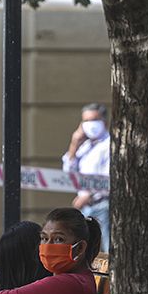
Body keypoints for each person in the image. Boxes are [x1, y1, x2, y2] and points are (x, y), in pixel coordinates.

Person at [62, 103, 111, 252]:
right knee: (85, 251)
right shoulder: (85, 146)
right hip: (85, 207)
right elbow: (68, 173)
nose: (90, 124)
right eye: (86, 121)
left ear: (104, 121)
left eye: (94, 119)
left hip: (104, 204)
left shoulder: (110, 144)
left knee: (108, 249)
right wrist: (74, 144)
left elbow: (108, 177)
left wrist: (87, 196)